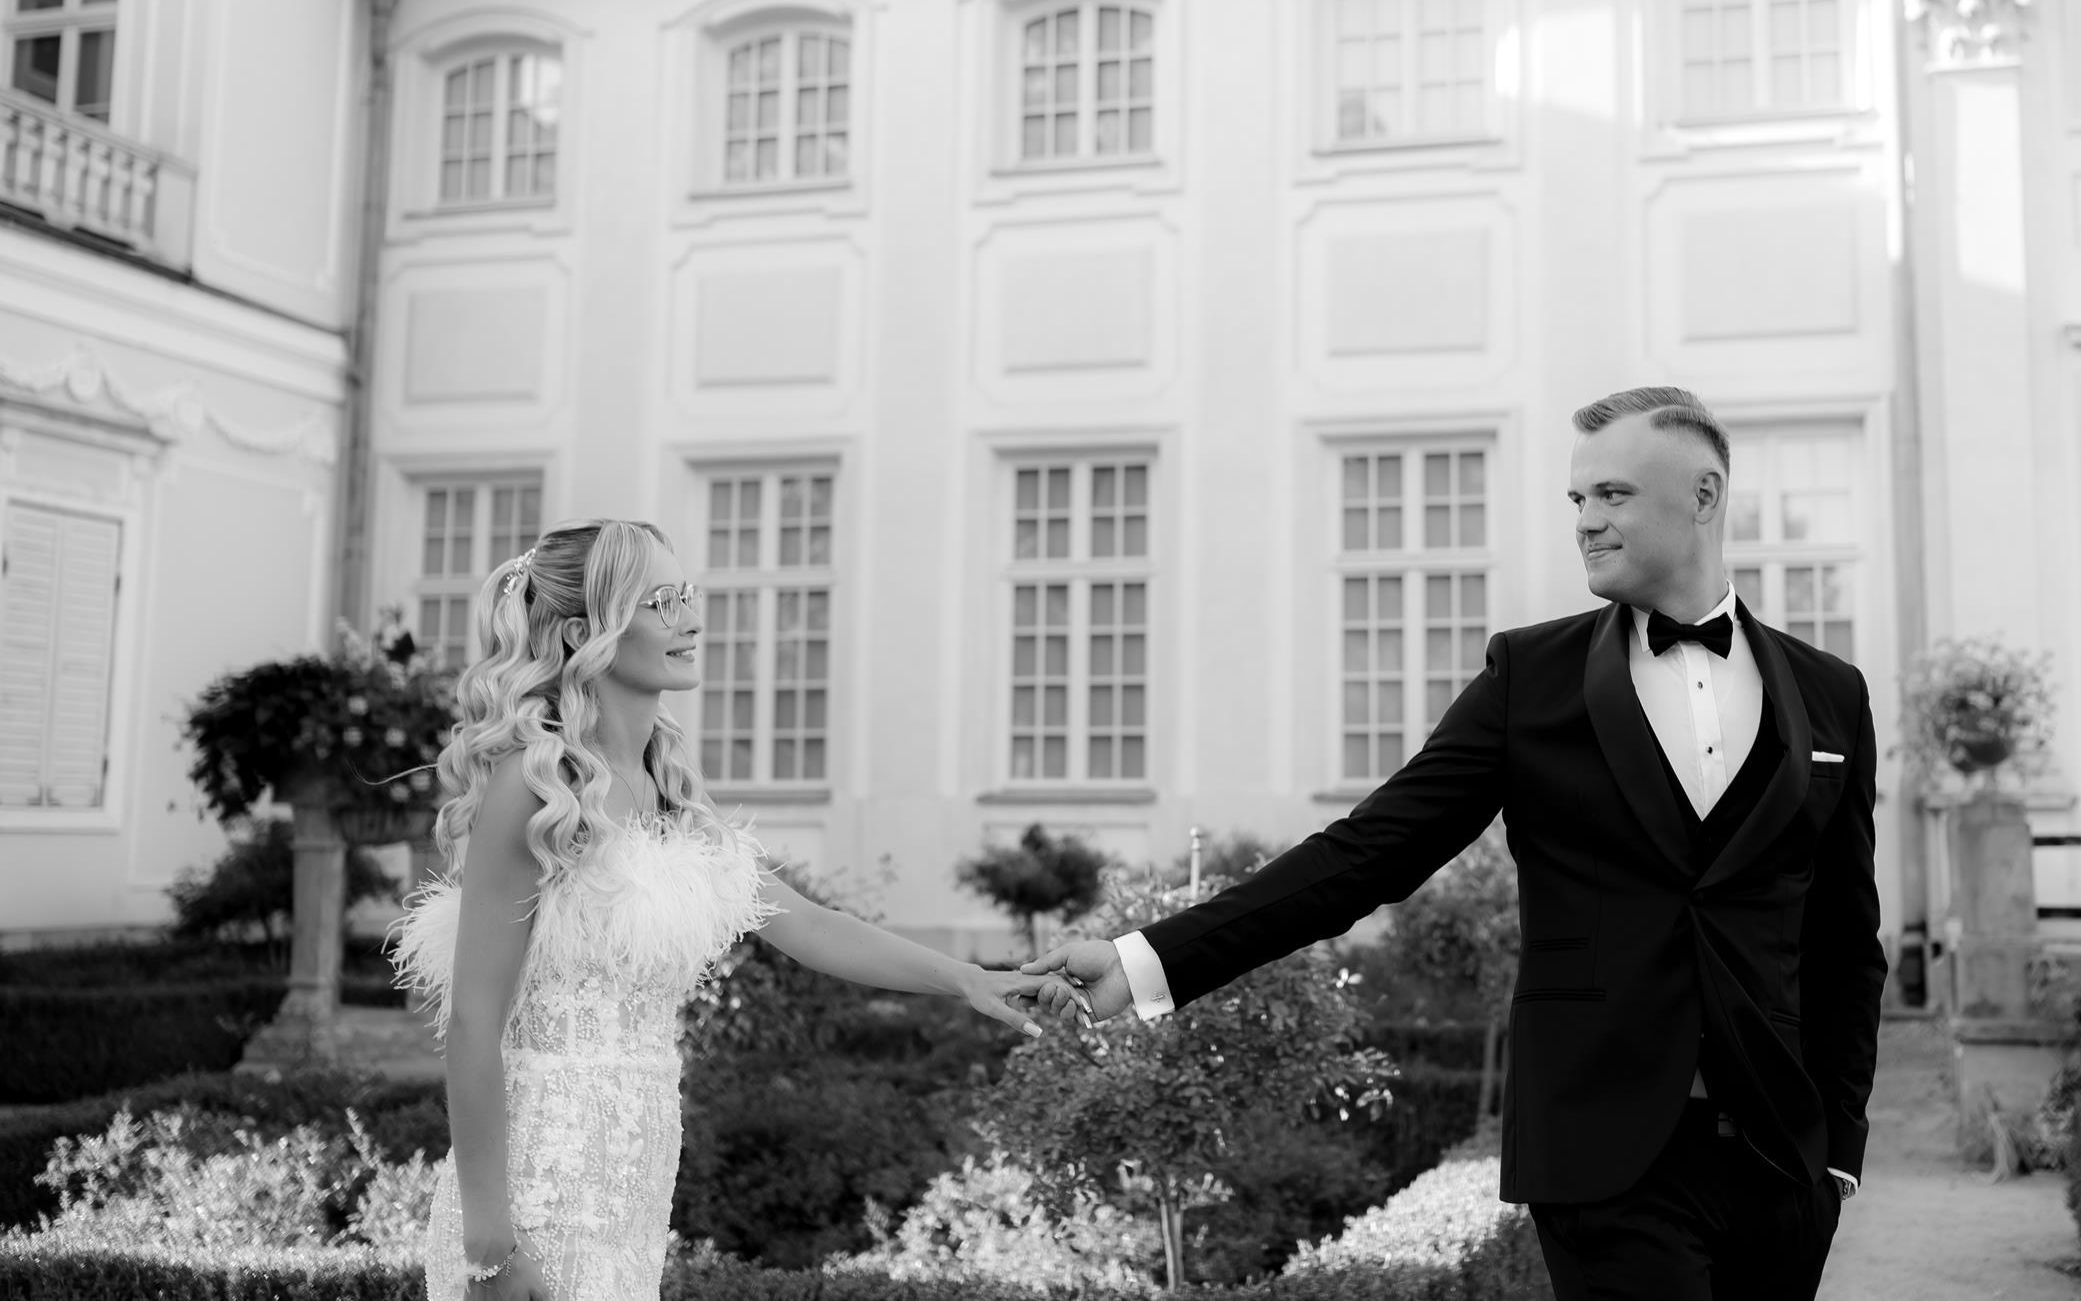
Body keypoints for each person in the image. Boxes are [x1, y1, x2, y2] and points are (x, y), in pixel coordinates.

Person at [1027, 387, 1888, 1301]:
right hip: (1605, 1161)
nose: (1586, 520)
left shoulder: (1832, 694)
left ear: (1704, 495)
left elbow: (1846, 940)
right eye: (1578, 499)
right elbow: (1366, 853)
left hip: (1779, 1166)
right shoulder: (1530, 679)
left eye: (1613, 494)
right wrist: (1147, 957)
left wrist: (1838, 1147)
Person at [391, 518, 1069, 1301]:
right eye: (661, 602)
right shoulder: (536, 788)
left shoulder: (669, 786)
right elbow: (473, 1023)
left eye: (686, 594)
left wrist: (967, 979)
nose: (692, 619)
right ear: (584, 632)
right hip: (533, 1192)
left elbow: (807, 924)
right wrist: (490, 1251)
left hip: (631, 1187)